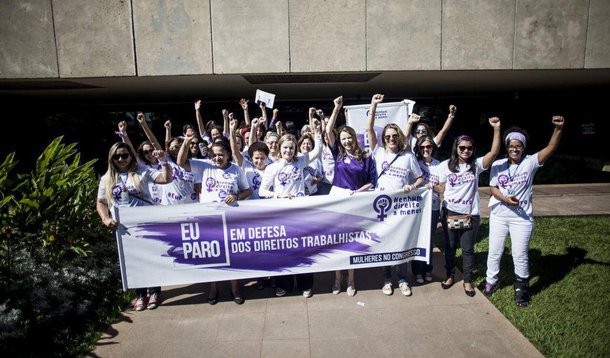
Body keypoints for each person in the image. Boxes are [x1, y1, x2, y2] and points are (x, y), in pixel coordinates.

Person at [484, 116, 565, 307]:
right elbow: (493, 188)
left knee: (519, 255)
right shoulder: (498, 165)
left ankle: (521, 289)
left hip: (522, 218)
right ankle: (491, 282)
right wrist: (505, 199)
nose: (514, 148)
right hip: (499, 216)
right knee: (494, 252)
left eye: (518, 145)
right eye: (511, 145)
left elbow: (550, 148)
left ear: (523, 147)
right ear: (506, 146)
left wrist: (558, 128)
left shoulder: (530, 162)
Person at [96, 142, 173, 311]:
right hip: (124, 227)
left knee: (150, 258)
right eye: (117, 156)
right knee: (134, 261)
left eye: (125, 155)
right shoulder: (107, 179)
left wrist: (163, 162)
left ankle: (154, 292)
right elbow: (101, 202)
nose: (121, 159)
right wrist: (105, 218)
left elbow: (166, 179)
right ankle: (140, 294)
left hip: (146, 223)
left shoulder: (142, 171)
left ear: (131, 155)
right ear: (111, 159)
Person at [177, 134, 252, 304]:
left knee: (231, 254)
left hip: (230, 218)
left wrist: (237, 196)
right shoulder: (204, 166)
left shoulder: (235, 169)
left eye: (221, 154)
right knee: (213, 254)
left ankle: (234, 288)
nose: (217, 158)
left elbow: (247, 191)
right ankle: (214, 288)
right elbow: (181, 162)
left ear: (227, 155)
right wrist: (187, 142)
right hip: (209, 219)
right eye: (214, 155)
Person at [366, 94, 424, 297]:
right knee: (384, 245)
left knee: (400, 244)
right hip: (381, 207)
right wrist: (374, 105)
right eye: (388, 136)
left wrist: (412, 185)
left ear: (399, 137)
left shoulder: (408, 157)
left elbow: (420, 178)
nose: (391, 138)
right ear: (384, 139)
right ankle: (387, 280)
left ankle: (402, 279)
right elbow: (370, 130)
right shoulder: (379, 153)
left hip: (401, 208)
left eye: (394, 136)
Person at [438, 117, 501, 297]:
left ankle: (467, 280)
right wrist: (431, 187)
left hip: (470, 215)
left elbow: (494, 153)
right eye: (462, 147)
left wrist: (496, 129)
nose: (466, 150)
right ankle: (450, 275)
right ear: (456, 149)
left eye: (469, 148)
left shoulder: (476, 166)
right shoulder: (446, 166)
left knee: (467, 249)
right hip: (450, 212)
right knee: (450, 246)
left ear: (473, 150)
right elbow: (442, 187)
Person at [258, 129, 323, 298]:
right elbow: (262, 191)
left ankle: (306, 285)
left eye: (292, 148)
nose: (288, 151)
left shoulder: (300, 162)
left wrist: (317, 133)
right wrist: (277, 195)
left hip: (301, 215)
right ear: (280, 148)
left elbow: (317, 151)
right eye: (285, 148)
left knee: (303, 250)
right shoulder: (272, 167)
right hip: (281, 215)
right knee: (284, 251)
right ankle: (284, 285)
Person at [326, 96, 377, 297]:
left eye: (349, 138)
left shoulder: (365, 156)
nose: (346, 141)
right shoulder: (337, 153)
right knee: (337, 242)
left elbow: (372, 181)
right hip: (337, 204)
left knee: (351, 243)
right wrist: (336, 108)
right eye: (343, 138)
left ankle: (351, 280)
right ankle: (337, 278)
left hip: (356, 204)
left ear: (354, 138)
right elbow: (328, 130)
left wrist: (358, 192)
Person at [412, 134, 444, 285]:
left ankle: (428, 269)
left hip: (433, 207)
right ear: (418, 148)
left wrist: (434, 187)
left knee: (429, 241)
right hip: (418, 208)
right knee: (417, 240)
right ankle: (417, 271)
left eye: (429, 146)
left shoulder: (439, 165)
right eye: (423, 147)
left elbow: (443, 187)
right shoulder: (415, 162)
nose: (426, 149)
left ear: (433, 148)